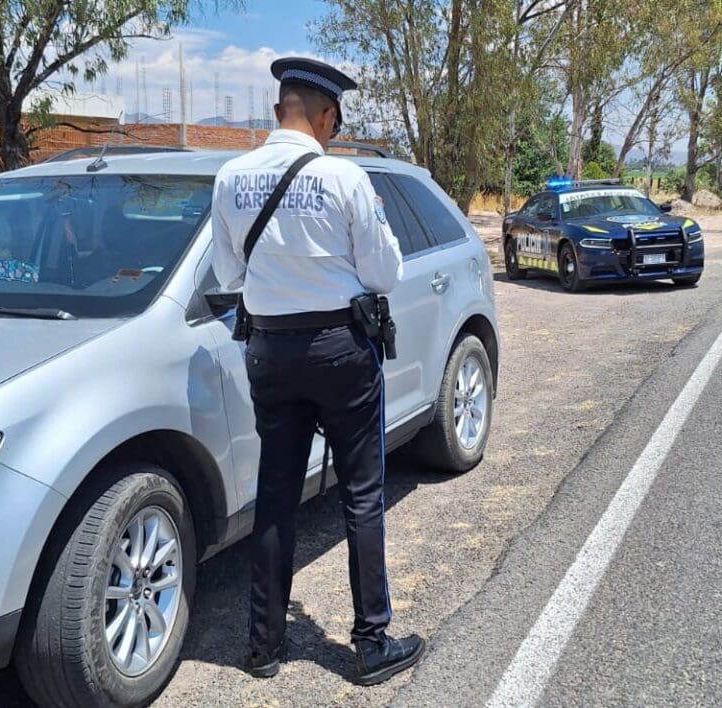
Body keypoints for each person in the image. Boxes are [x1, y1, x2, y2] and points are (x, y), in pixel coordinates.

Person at [210, 56, 425, 687]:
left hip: (269, 351)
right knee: (362, 493)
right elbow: (385, 273)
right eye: (335, 122)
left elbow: (229, 278)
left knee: (276, 496)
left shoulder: (229, 177)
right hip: (340, 349)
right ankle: (370, 644)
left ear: (280, 110)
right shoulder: (345, 178)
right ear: (325, 114)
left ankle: (262, 647)